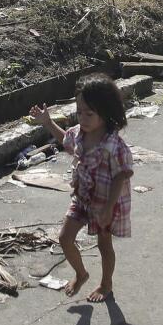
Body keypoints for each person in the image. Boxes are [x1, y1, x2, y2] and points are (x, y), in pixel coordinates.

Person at [30, 74, 133, 304]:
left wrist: (108, 207)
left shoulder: (113, 144)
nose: (83, 118)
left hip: (105, 202)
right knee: (65, 238)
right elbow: (65, 140)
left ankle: (106, 284)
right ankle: (81, 273)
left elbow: (122, 174)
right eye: (79, 112)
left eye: (89, 113)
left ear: (105, 114)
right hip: (82, 197)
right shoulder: (79, 133)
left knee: (104, 245)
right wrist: (47, 122)